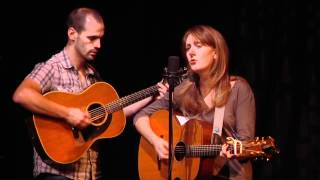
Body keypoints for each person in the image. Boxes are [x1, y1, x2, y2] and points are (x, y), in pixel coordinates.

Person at [12, 7, 168, 180]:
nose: (98, 45)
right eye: (92, 38)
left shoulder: (93, 75)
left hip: (90, 174)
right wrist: (68, 114)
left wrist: (151, 95)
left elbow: (114, 114)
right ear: (72, 34)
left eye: (100, 39)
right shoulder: (53, 67)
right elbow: (22, 94)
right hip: (57, 174)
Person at [134, 25, 256, 180]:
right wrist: (156, 141)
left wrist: (232, 151)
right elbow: (141, 116)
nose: (190, 52)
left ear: (216, 53)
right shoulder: (183, 89)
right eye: (188, 47)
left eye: (198, 46)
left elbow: (246, 143)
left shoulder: (238, 89)